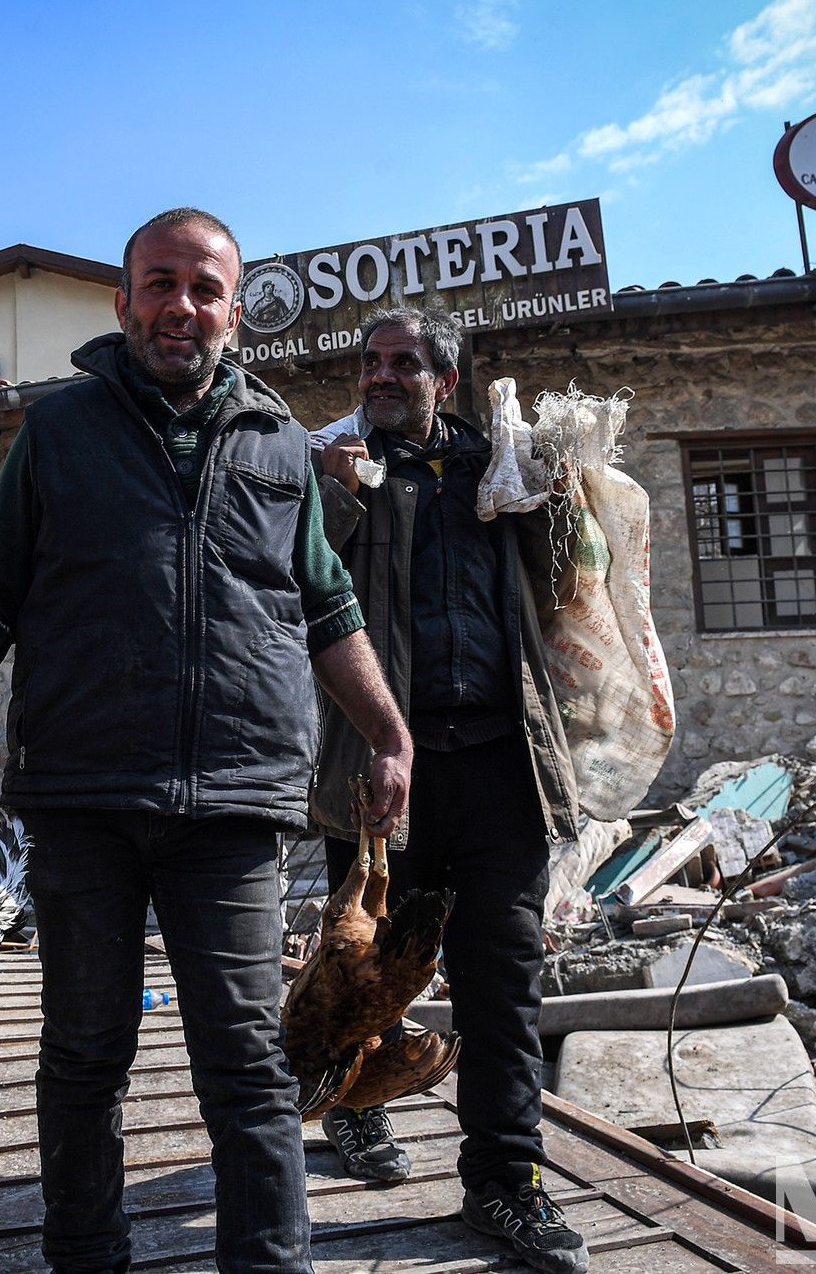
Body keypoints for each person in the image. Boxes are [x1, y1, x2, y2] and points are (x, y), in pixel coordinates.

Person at [0, 208, 413, 1274]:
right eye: (159, 283)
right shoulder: (58, 433)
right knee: (84, 1056)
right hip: (84, 796)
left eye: (205, 288)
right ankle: (87, 1258)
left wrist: (388, 734)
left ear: (234, 313)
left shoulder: (280, 445)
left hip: (234, 803)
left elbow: (326, 605)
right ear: (122, 303)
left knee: (248, 1063)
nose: (181, 306)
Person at [309, 308, 589, 1274]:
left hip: (501, 765)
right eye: (370, 362)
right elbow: (296, 586)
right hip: (380, 768)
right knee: (368, 968)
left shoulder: (497, 471)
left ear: (447, 380)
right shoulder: (338, 468)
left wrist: (557, 489)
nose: (381, 376)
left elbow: (565, 583)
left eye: (404, 363)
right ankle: (355, 1108)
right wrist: (334, 495)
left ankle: (506, 1181)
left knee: (502, 984)